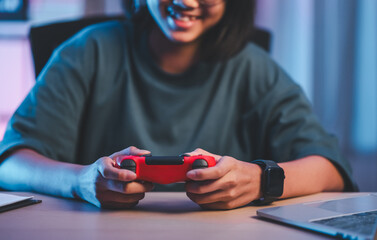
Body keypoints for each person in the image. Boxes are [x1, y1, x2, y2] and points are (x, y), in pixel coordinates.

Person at [0, 0, 356, 210]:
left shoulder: (253, 68)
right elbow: (10, 165)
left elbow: (333, 170)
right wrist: (81, 181)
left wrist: (262, 180)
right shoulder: (87, 52)